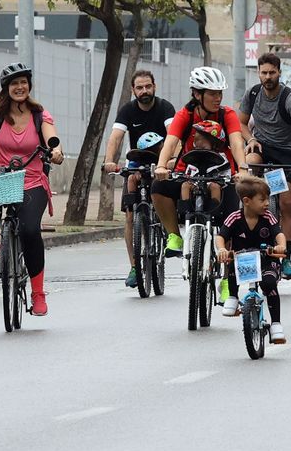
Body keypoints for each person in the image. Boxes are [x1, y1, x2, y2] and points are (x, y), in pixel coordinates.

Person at [0, 63, 65, 317]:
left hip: (32, 180)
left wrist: (56, 150)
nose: (20, 87)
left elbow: (51, 138)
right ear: (6, 88)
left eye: (24, 82)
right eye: (14, 83)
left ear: (29, 85)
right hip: (0, 177)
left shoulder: (39, 115)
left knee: (29, 231)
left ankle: (38, 294)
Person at [153, 66, 249, 255]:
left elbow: (236, 142)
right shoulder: (185, 115)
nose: (218, 98)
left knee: (229, 225)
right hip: (187, 173)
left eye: (220, 93)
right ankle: (174, 236)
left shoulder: (226, 114)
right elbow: (170, 142)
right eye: (213, 94)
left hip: (222, 175)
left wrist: (243, 168)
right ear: (197, 94)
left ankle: (226, 279)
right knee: (158, 187)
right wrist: (161, 166)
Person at [240, 53, 291, 279]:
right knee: (249, 164)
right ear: (258, 73)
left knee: (285, 203)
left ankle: (286, 259)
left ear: (279, 72)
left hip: (286, 153)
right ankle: (243, 222)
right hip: (262, 147)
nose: (268, 77)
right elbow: (241, 123)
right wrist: (251, 140)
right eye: (264, 72)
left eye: (272, 72)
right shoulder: (252, 94)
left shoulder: (289, 97)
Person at [102, 70, 175, 287]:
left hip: (160, 164)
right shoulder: (127, 110)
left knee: (162, 197)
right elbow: (116, 137)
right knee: (130, 216)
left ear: (155, 86)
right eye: (140, 88)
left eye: (148, 86)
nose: (144, 91)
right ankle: (134, 266)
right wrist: (108, 161)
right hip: (135, 164)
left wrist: (170, 161)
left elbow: (174, 135)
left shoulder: (165, 107)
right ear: (133, 90)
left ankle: (165, 229)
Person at [216, 175, 288, 342]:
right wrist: (221, 249)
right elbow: (220, 236)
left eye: (267, 199)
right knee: (232, 264)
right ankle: (232, 296)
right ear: (246, 201)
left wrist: (280, 246)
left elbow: (279, 234)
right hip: (242, 260)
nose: (267, 203)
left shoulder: (268, 217)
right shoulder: (234, 218)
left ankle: (276, 324)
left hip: (267, 260)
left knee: (269, 284)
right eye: (262, 199)